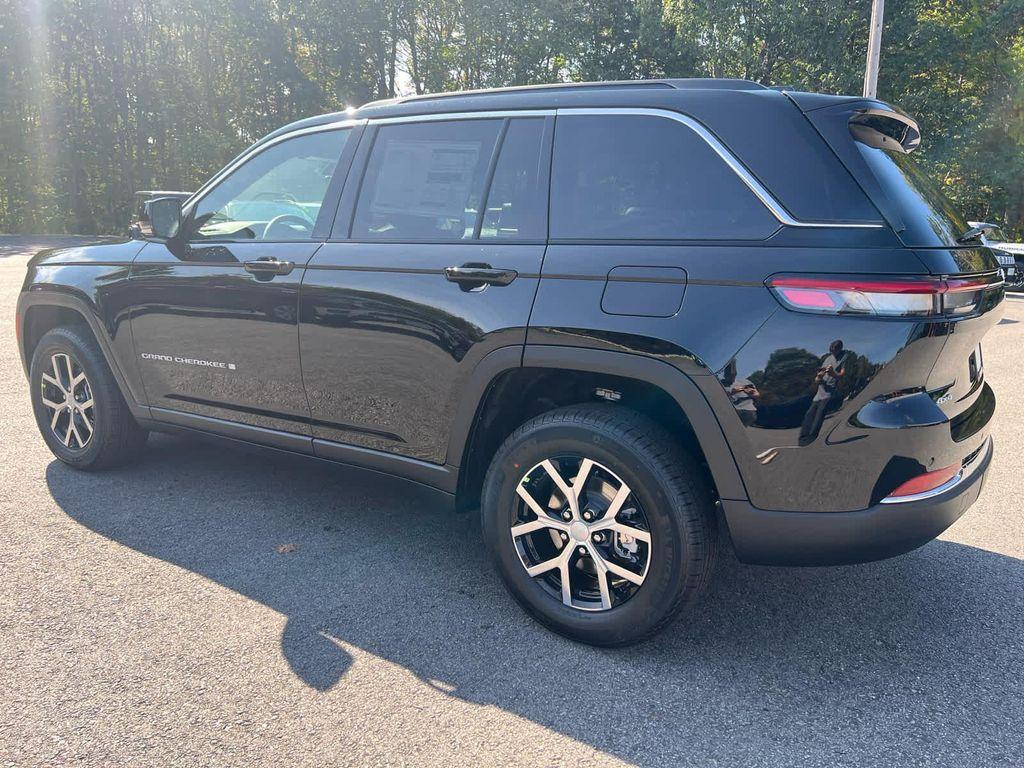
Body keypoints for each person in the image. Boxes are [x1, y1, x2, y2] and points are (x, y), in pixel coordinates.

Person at [798, 339, 848, 446]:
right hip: (819, 392)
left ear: (840, 349)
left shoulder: (844, 357)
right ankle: (802, 439)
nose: (833, 353)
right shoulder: (827, 358)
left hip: (828, 393)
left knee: (818, 417)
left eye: (835, 351)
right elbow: (818, 377)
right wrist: (818, 377)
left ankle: (811, 440)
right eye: (831, 350)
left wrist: (833, 373)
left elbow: (842, 375)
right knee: (809, 415)